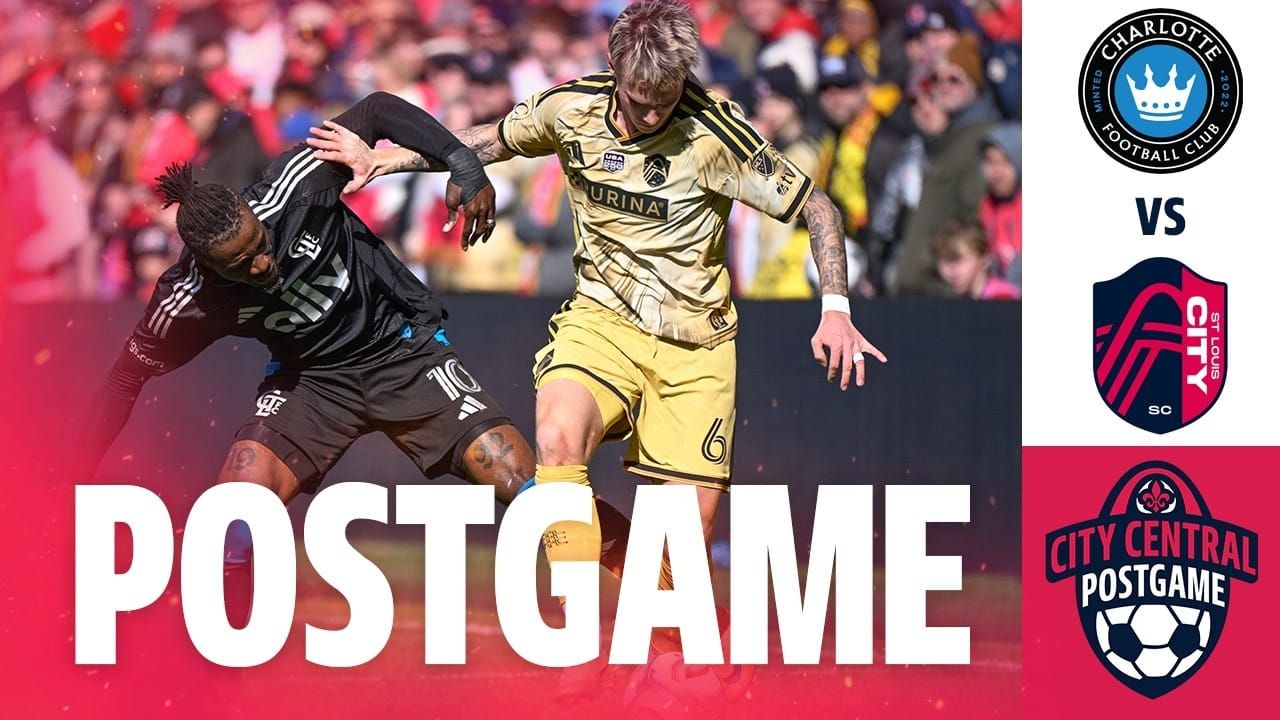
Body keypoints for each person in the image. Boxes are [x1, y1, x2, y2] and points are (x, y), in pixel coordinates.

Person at [307, 0, 886, 700]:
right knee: (556, 438)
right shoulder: (570, 109)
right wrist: (387, 160)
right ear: (615, 71)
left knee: (681, 545)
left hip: (694, 349)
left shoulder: (714, 134)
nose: (653, 113)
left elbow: (818, 207)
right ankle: (579, 636)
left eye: (666, 98)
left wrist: (835, 310)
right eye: (641, 100)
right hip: (601, 324)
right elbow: (487, 140)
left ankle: (689, 641)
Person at [79, 91, 632, 628]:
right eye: (240, 265)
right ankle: (224, 673)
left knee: (526, 486)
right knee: (235, 513)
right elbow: (123, 379)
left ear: (252, 214)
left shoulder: (296, 184)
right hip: (309, 382)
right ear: (204, 263)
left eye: (259, 244)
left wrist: (462, 163)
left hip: (402, 350)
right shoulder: (187, 301)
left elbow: (377, 109)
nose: (261, 263)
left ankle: (660, 592)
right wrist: (73, 477)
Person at [931, 218, 1019, 300]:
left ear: (984, 257)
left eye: (959, 259)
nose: (951, 269)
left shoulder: (1002, 298)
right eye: (945, 261)